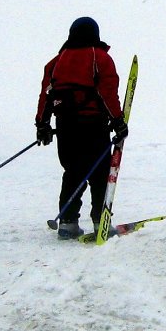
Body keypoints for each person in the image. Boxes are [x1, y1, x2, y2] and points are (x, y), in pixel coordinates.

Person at [35, 17, 128, 239]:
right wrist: (118, 121)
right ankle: (100, 223)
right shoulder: (101, 58)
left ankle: (67, 223)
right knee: (99, 173)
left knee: (73, 172)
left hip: (65, 126)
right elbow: (108, 92)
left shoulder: (56, 62)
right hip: (93, 125)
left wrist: (43, 125)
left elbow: (46, 96)